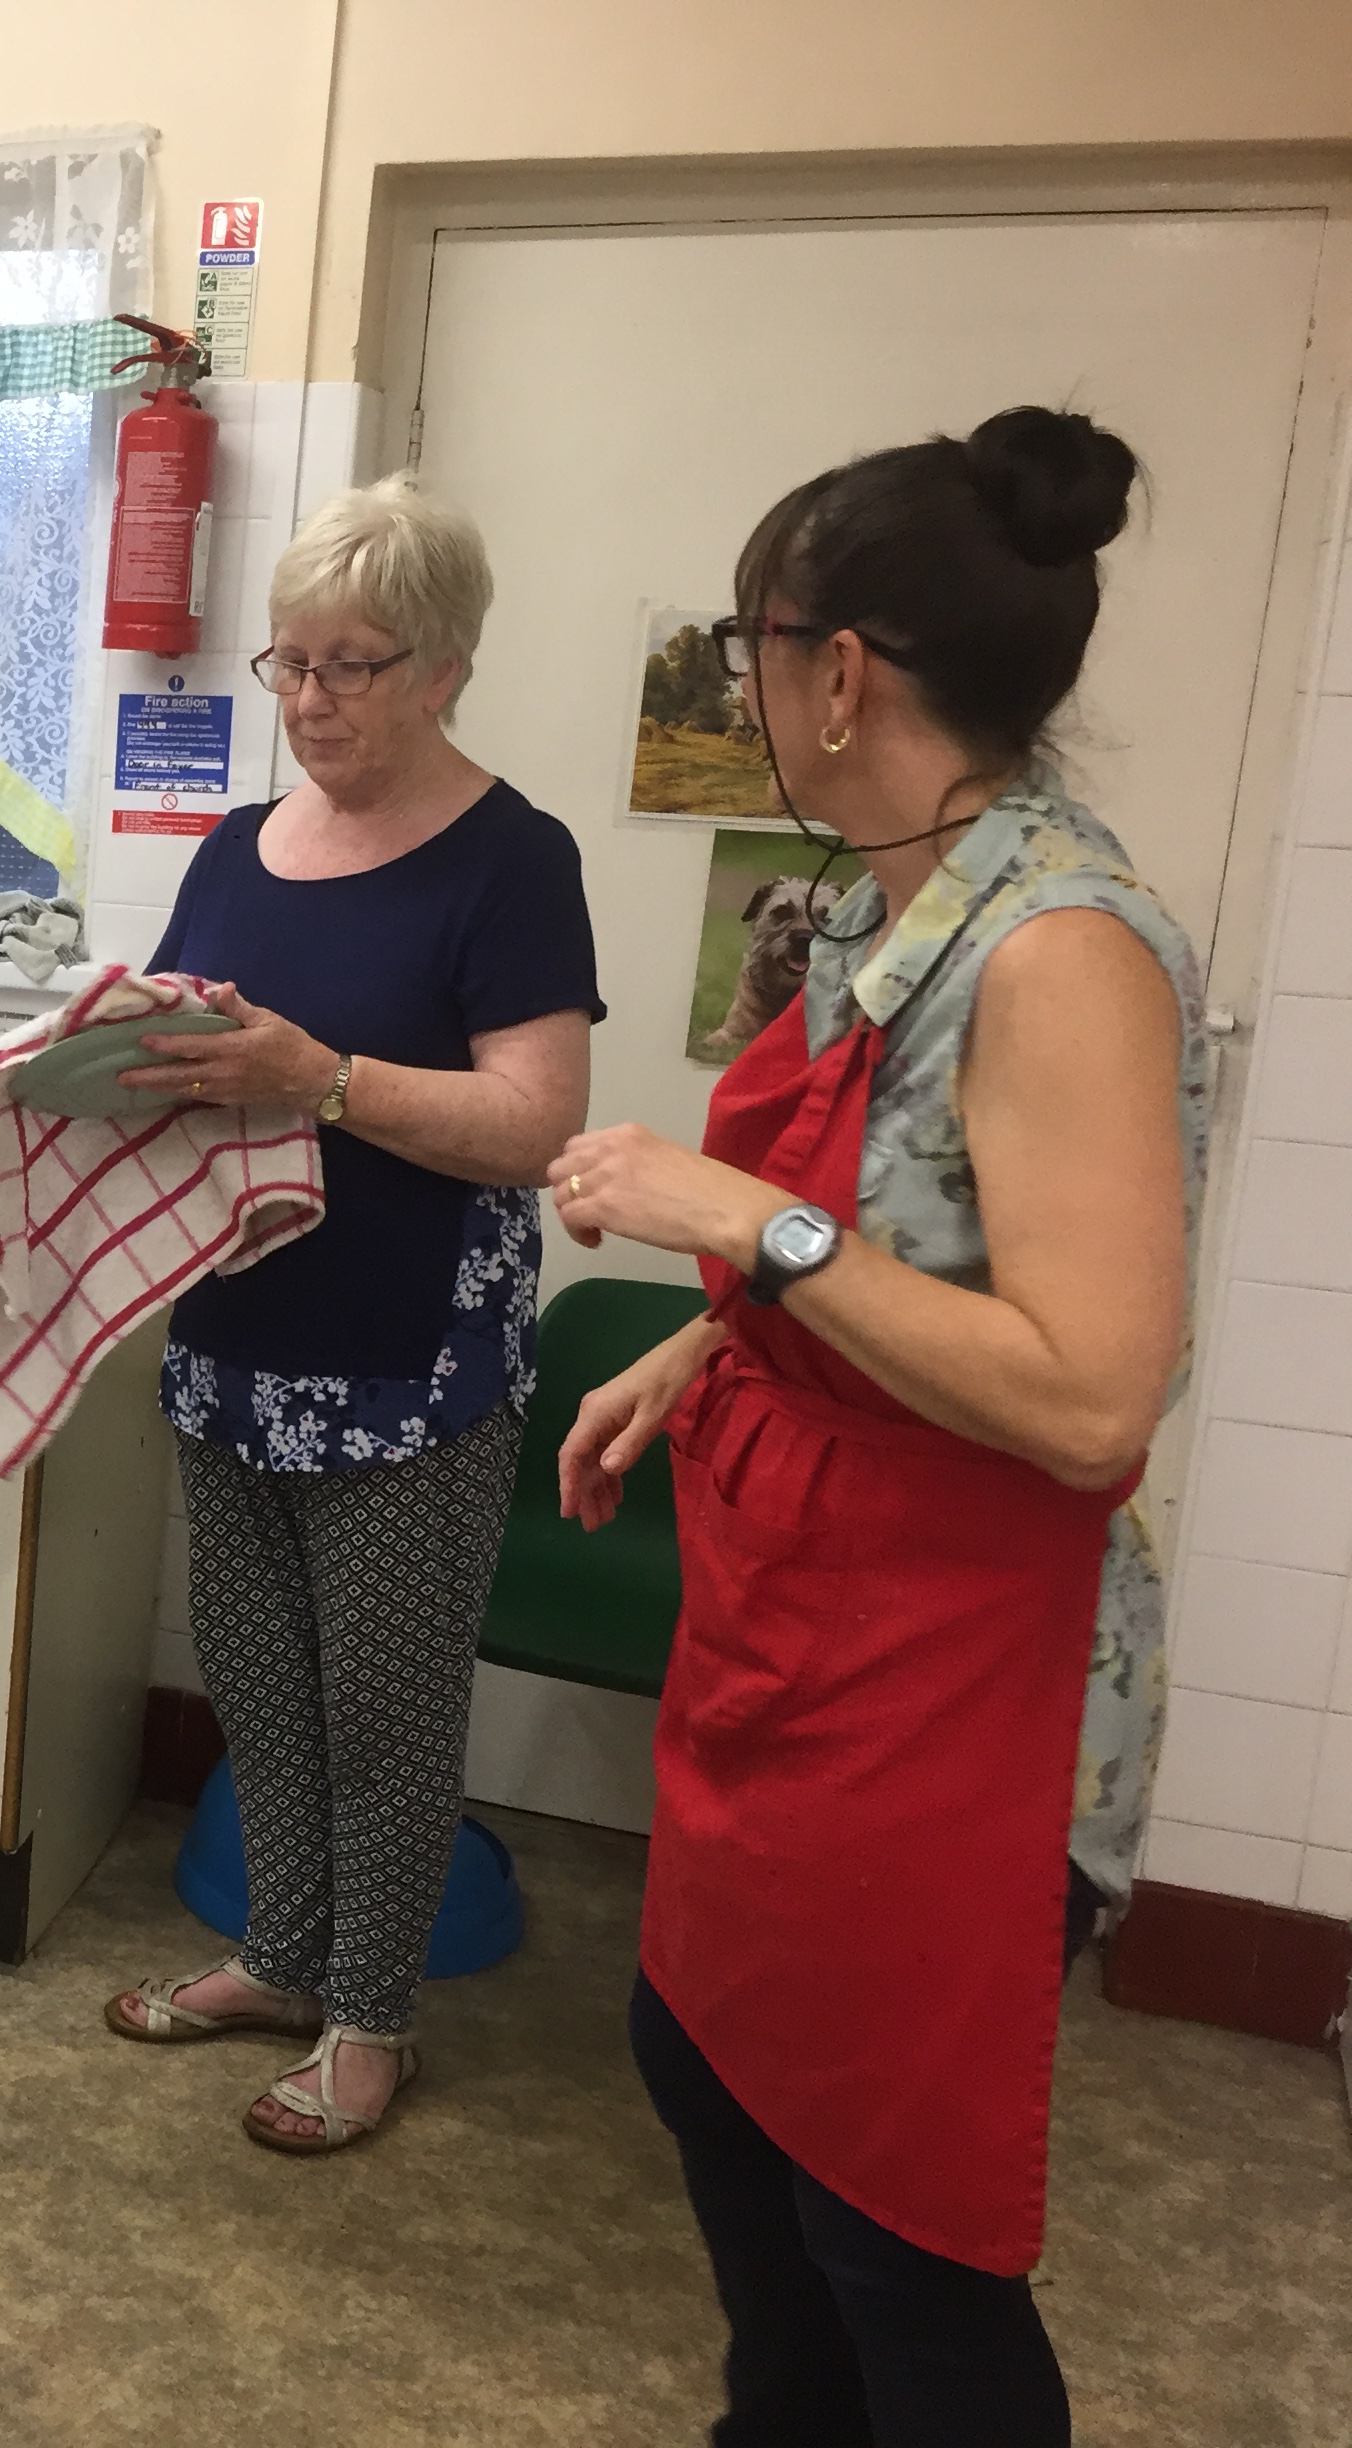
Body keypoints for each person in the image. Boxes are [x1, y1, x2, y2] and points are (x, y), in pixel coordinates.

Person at [548, 406, 1203, 2447]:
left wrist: (738, 1219)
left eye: (745, 645)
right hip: (805, 1629)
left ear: (834, 673)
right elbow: (906, 1260)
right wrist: (705, 1346)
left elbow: (1087, 1395)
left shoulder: (1060, 952)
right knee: (710, 2076)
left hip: (956, 1696)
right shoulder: (883, 909)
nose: (739, 686)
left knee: (893, 2235)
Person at [99, 474, 601, 2151]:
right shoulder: (237, 845)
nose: (308, 700)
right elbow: (189, 1046)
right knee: (256, 1683)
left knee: (383, 1713)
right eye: (288, 663)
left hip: (408, 1364)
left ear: (444, 667)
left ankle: (371, 2020)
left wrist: (316, 1076)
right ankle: (279, 1958)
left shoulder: (511, 858)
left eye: (350, 666)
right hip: (236, 1342)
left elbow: (531, 1124)